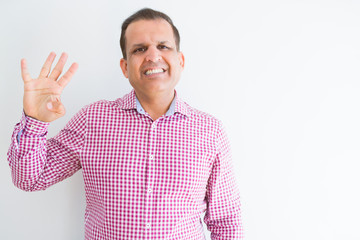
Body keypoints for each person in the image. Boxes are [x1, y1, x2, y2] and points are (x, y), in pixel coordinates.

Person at [8, 8, 243, 239]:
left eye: (163, 46)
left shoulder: (210, 131)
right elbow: (30, 179)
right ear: (125, 67)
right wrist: (35, 120)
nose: (153, 56)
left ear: (180, 60)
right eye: (139, 49)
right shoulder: (93, 120)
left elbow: (226, 222)